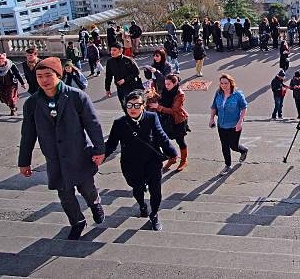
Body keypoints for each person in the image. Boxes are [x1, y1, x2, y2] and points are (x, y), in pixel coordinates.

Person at [18, 57, 105, 240]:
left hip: (79, 154)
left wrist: (99, 150)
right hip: (55, 158)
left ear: (59, 74)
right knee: (65, 194)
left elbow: (93, 125)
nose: (43, 80)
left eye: (48, 75)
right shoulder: (32, 103)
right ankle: (77, 221)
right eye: (39, 76)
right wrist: (24, 162)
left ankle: (95, 204)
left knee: (87, 189)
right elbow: (28, 134)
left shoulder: (76, 96)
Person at [105, 90, 177, 231]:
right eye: (130, 105)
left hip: (152, 161)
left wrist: (172, 152)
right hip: (131, 164)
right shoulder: (120, 123)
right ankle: (142, 205)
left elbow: (161, 136)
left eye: (137, 105)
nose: (133, 109)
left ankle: (154, 214)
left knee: (156, 192)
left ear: (143, 105)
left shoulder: (151, 117)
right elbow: (111, 144)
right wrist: (100, 156)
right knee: (137, 189)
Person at [148, 74, 190, 172]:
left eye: (169, 84)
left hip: (177, 120)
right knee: (162, 139)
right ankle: (172, 157)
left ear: (175, 84)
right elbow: (159, 99)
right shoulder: (164, 90)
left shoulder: (180, 94)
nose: (166, 86)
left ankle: (183, 160)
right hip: (164, 119)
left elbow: (174, 110)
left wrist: (158, 107)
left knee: (180, 141)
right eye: (165, 84)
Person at [209, 73, 249, 175]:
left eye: (226, 83)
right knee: (224, 145)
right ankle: (227, 165)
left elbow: (244, 107)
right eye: (221, 83)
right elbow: (214, 107)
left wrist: (240, 121)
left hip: (234, 125)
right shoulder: (218, 94)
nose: (223, 85)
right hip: (221, 124)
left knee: (234, 146)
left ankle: (243, 150)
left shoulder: (237, 95)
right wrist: (212, 119)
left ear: (231, 83)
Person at [105, 42, 143, 110]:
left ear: (121, 50)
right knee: (124, 106)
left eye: (114, 50)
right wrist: (107, 89)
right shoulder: (110, 62)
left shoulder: (128, 60)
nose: (112, 52)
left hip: (131, 86)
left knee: (132, 106)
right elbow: (108, 76)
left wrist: (125, 80)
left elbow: (136, 72)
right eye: (111, 50)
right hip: (120, 88)